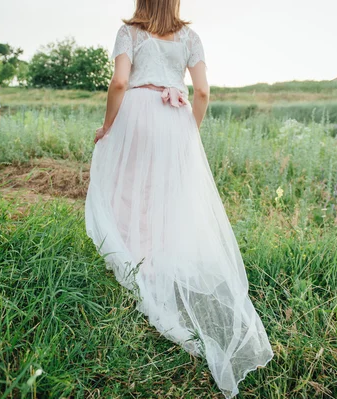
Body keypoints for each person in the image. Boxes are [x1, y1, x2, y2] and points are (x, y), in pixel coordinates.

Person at [84, 1, 274, 397]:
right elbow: (203, 91)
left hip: (136, 112)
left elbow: (119, 83)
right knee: (163, 192)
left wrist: (107, 126)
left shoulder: (129, 33)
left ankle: (131, 261)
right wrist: (191, 131)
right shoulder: (190, 37)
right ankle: (153, 263)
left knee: (126, 185)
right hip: (174, 117)